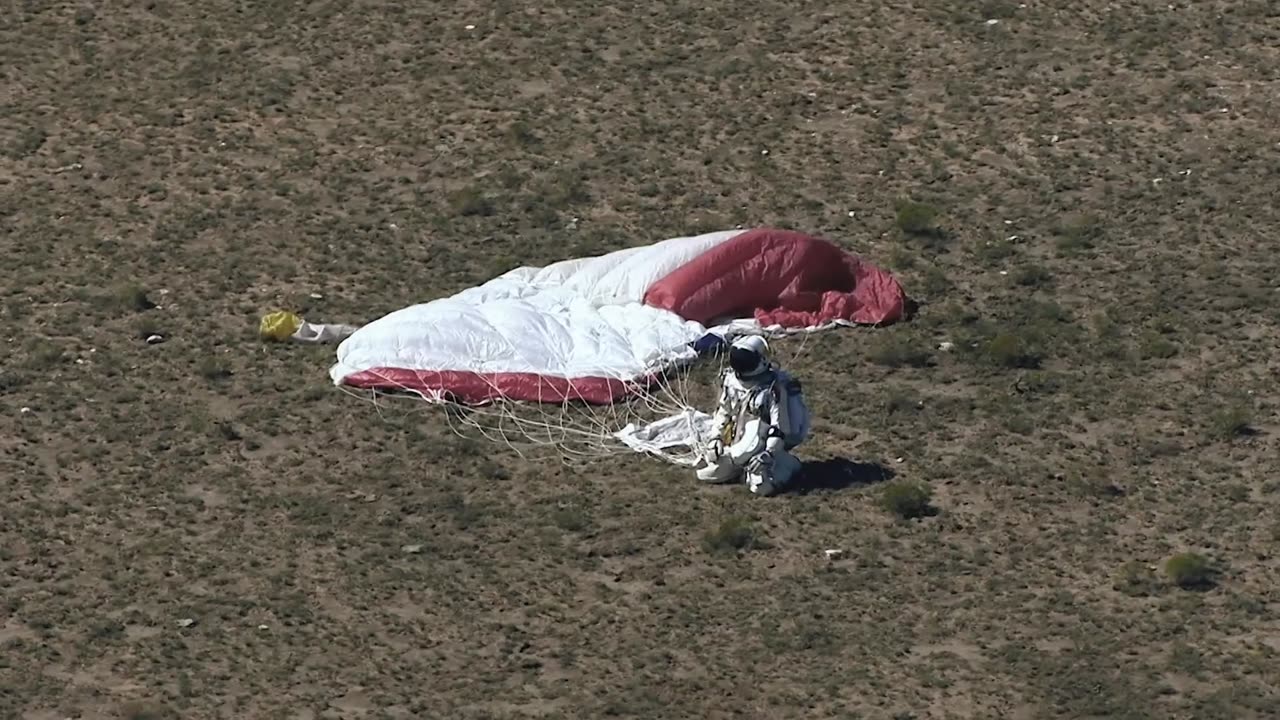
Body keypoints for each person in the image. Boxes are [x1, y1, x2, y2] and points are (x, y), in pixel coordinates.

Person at [695, 334, 806, 496]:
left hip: (766, 439)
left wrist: (769, 454)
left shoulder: (773, 387)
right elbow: (724, 411)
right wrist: (716, 437)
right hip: (740, 437)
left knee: (760, 487)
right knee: (706, 474)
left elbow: (780, 426)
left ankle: (785, 462)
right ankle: (737, 462)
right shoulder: (730, 380)